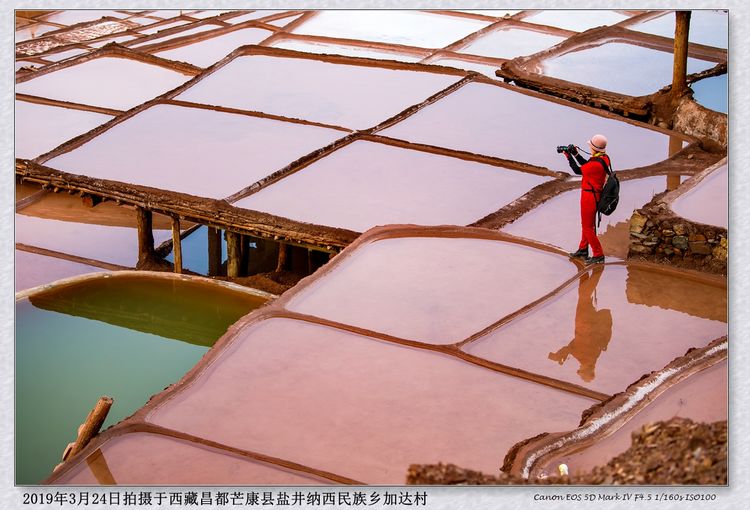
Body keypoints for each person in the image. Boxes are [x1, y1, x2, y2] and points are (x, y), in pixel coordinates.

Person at [562, 134, 611, 265]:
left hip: (589, 197)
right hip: (594, 195)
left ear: (593, 148)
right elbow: (587, 164)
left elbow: (578, 170)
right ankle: (583, 249)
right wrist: (576, 154)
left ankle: (598, 254)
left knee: (587, 227)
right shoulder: (604, 158)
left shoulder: (595, 164)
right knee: (587, 224)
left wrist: (568, 156)